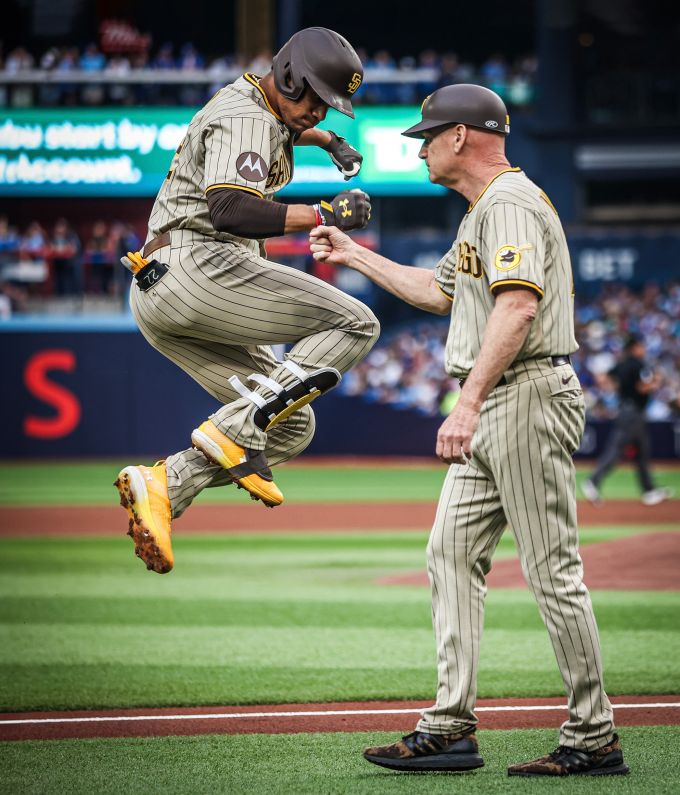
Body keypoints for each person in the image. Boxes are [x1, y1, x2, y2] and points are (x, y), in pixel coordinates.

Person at [310, 84, 629, 778]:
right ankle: (450, 725)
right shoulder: (484, 212)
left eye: (427, 136)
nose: (421, 148)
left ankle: (595, 732)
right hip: (500, 399)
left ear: (461, 136)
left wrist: (468, 402)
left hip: (525, 394)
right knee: (450, 553)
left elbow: (516, 309)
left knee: (552, 569)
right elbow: (439, 291)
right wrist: (356, 255)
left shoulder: (510, 202)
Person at [115, 27, 379, 575]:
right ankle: (231, 432)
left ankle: (167, 484)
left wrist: (329, 143)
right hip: (201, 264)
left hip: (161, 288)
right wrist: (323, 213)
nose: (322, 115)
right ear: (287, 76)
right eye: (318, 101)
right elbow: (230, 210)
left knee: (288, 423)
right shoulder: (248, 117)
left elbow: (280, 133)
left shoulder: (260, 109)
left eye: (332, 108)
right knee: (355, 322)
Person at [582, 335, 673, 506]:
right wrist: (656, 382)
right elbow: (643, 387)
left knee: (642, 451)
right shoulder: (638, 364)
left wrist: (617, 389)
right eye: (641, 346)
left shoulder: (621, 364)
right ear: (635, 347)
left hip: (626, 410)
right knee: (617, 449)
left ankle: (649, 491)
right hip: (633, 414)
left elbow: (604, 378)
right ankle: (593, 481)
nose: (643, 349)